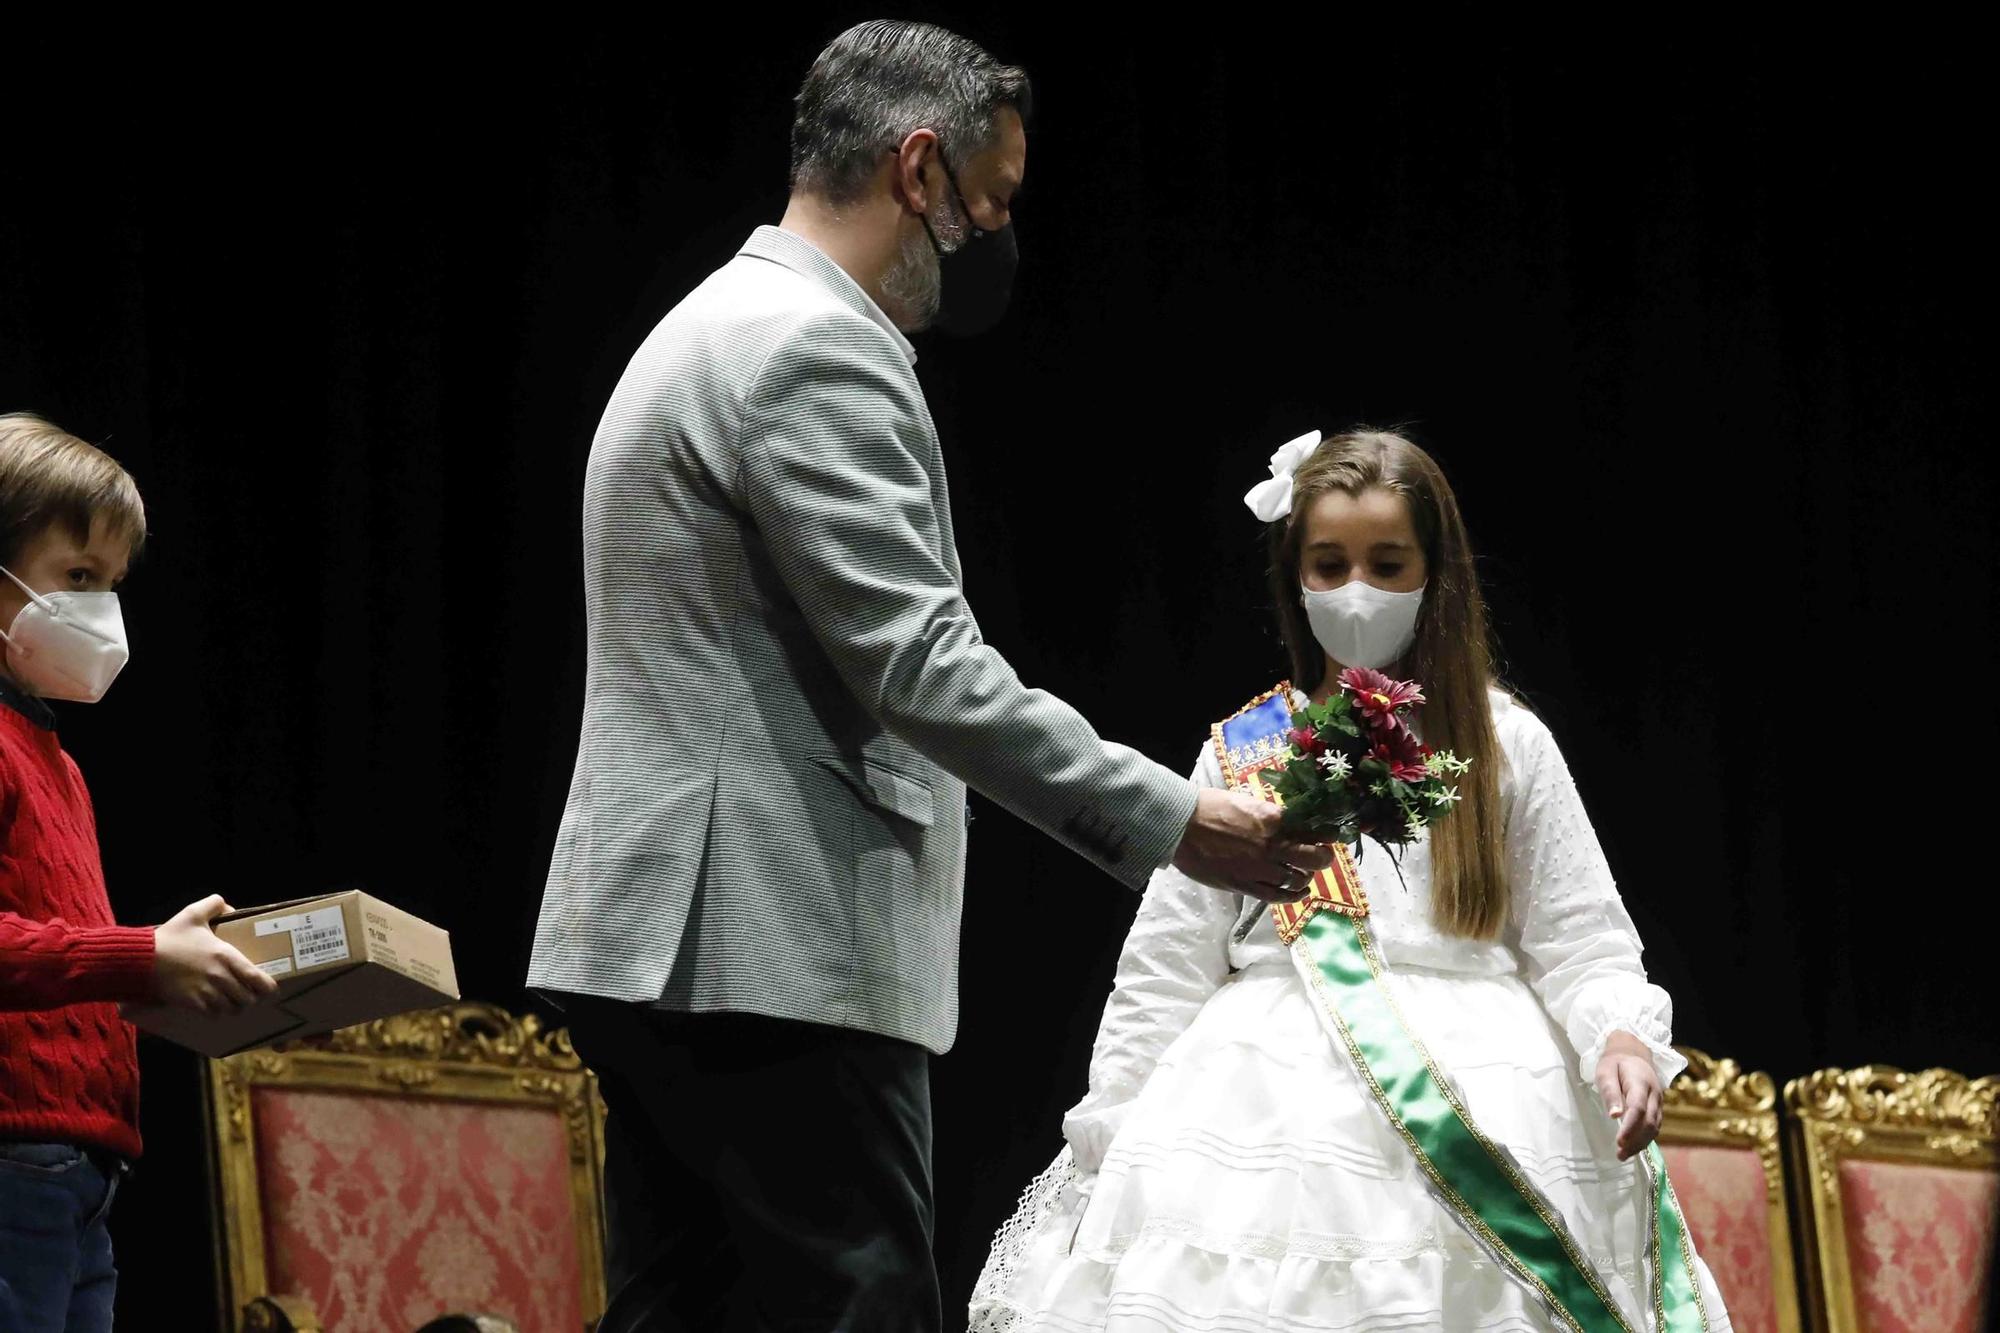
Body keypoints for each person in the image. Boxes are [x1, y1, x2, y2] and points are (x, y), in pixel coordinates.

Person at [525, 20, 1324, 1333]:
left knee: (688, 1308)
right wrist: (1178, 824)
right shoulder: (809, 345)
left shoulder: (708, 323)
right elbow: (923, 664)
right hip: (767, 942)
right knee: (866, 1306)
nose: (992, 240)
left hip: (669, 942)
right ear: (917, 171)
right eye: (990, 202)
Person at [969, 428, 1734, 1331]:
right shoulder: (1240, 752)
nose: (1355, 589)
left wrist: (1621, 1036)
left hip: (1497, 1101)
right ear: (1294, 577)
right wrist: (1107, 1134)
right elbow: (1164, 970)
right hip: (1255, 1125)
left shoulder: (1507, 743)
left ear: (1434, 572)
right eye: (1328, 565)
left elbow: (1582, 937)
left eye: (1386, 562)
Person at [0, 412, 279, 1331]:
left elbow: (54, 952)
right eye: (77, 577)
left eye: (112, 584)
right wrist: (139, 955)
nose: (102, 610)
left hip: (84, 1166)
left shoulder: (55, 757)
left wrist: (159, 986)